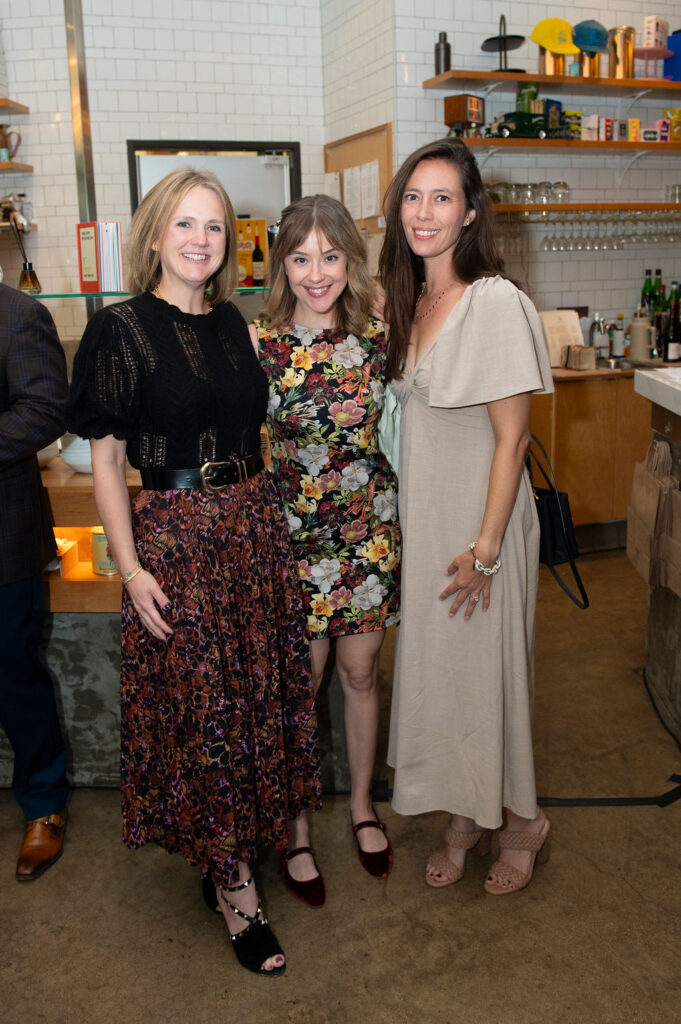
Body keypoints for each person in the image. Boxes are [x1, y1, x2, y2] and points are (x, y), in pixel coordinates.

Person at [68, 168, 321, 976]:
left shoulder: (234, 322)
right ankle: (236, 889)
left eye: (214, 226)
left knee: (250, 702)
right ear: (154, 233)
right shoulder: (119, 329)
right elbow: (107, 465)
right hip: (177, 540)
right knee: (205, 712)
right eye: (184, 223)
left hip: (252, 530)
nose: (199, 240)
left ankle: (235, 851)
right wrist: (130, 568)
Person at [379, 138, 554, 895]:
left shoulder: (494, 302)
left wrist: (485, 551)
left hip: (484, 526)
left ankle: (521, 820)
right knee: (446, 678)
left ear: (470, 213)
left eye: (442, 197)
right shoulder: (411, 300)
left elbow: (512, 439)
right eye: (413, 197)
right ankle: (466, 812)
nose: (424, 212)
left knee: (489, 677)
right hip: (428, 523)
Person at [252, 195, 400, 905]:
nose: (317, 274)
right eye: (301, 258)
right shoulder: (260, 342)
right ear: (282, 264)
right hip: (294, 540)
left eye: (331, 257)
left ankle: (363, 805)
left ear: (350, 260)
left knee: (361, 675)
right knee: (300, 687)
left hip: (367, 532)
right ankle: (297, 824)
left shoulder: (379, 335)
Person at [0, 283, 70, 882]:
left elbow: (44, 411)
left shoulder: (18, 314)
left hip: (3, 537)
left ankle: (44, 802)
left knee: (14, 673)